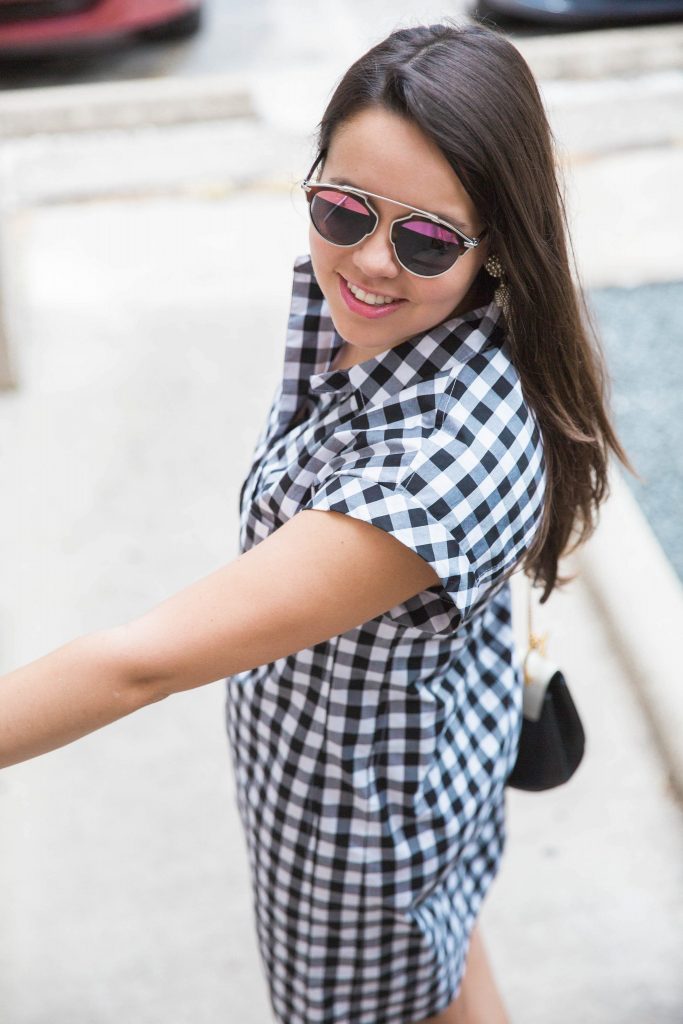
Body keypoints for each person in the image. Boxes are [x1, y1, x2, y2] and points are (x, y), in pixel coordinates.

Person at [0, 18, 635, 1024]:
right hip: (424, 757)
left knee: (414, 968)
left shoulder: (425, 477)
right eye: (341, 209)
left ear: (496, 240)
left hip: (357, 843)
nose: (370, 263)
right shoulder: (413, 319)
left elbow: (137, 664)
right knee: (447, 957)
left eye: (424, 237)